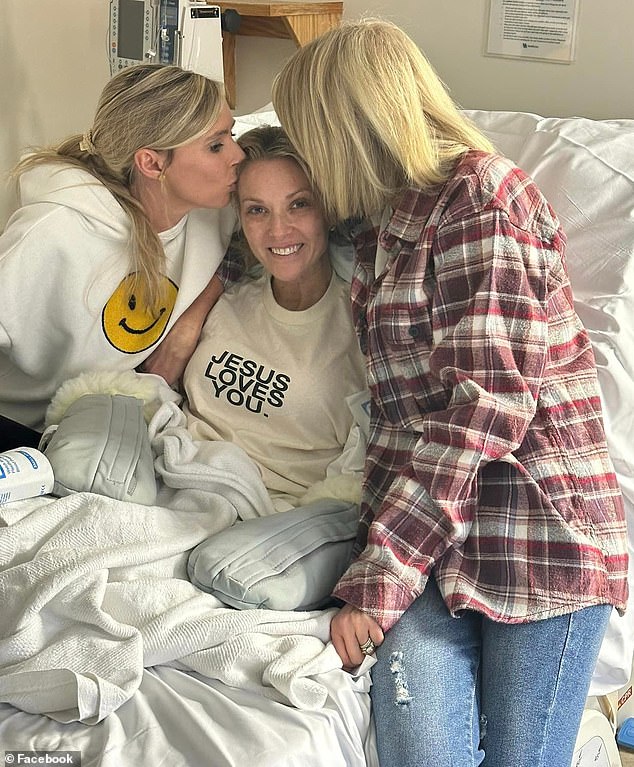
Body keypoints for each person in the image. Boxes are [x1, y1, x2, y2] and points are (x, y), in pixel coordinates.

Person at [271, 18, 629, 767]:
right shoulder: (376, 230)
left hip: (538, 538)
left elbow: (484, 409)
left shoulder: (481, 198)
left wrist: (381, 576)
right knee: (423, 753)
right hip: (436, 544)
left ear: (344, 126)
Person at [0, 63, 245, 438]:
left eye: (231, 134)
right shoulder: (55, 233)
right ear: (151, 162)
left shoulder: (218, 211)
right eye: (216, 145)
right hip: (20, 427)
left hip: (99, 424)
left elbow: (252, 249)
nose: (237, 155)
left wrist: (189, 322)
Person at [184, 125, 367, 511]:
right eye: (257, 210)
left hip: (270, 525)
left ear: (327, 209)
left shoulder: (363, 329)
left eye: (298, 204)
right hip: (174, 475)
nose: (278, 230)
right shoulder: (226, 294)